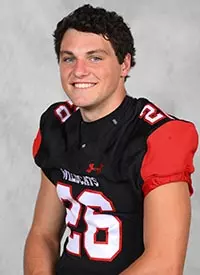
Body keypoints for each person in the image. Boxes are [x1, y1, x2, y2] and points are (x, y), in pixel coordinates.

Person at [24, 4, 198, 275]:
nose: (79, 71)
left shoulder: (157, 135)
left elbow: (165, 263)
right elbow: (43, 233)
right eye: (69, 58)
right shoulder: (57, 124)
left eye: (95, 58)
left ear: (124, 64)